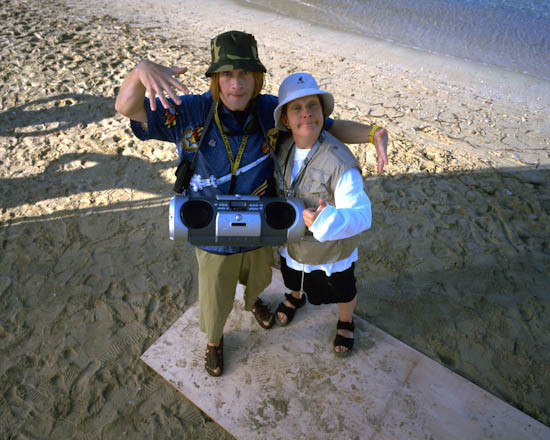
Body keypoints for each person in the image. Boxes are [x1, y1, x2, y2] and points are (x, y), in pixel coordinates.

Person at [115, 30, 387, 375]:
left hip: (262, 222)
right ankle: (214, 341)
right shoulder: (192, 111)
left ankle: (254, 301)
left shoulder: (271, 110)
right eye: (227, 74)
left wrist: (374, 133)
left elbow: (326, 126)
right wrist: (140, 71)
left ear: (257, 77)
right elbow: (128, 108)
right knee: (215, 293)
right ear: (215, 78)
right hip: (209, 225)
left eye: (245, 73)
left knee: (256, 276)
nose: (236, 84)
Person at [272, 72, 373, 357]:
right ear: (285, 120)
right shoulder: (282, 147)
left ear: (323, 112)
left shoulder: (340, 162)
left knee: (343, 289)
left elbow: (362, 215)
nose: (306, 113)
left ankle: (346, 320)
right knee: (293, 277)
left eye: (312, 106)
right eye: (297, 108)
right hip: (293, 244)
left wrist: (327, 220)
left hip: (331, 252)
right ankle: (295, 297)